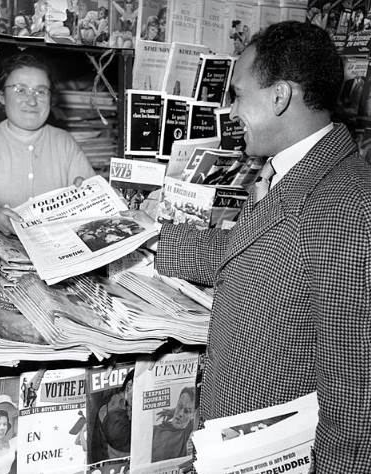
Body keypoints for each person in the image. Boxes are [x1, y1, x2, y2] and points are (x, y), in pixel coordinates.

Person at [148, 21, 371, 471]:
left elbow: (354, 401)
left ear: (279, 96)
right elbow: (253, 250)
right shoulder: (294, 172)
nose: (230, 111)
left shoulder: (349, 205)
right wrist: (152, 238)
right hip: (235, 439)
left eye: (237, 94)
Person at [0, 52, 95, 236]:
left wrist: (88, 196)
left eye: (41, 91)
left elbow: (92, 202)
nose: (32, 101)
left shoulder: (64, 142)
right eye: (21, 90)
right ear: (1, 95)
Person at [151, 387, 195, 463]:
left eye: (187, 411)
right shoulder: (155, 430)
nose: (181, 414)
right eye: (180, 406)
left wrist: (173, 412)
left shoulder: (186, 433)